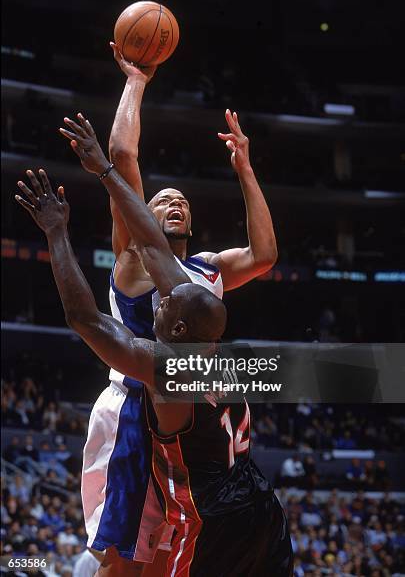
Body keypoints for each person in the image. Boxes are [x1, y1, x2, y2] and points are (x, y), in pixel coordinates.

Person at [58, 47, 278, 576]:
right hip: (136, 408)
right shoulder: (135, 255)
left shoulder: (208, 268)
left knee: (169, 558)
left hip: (189, 424)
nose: (175, 202)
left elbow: (265, 255)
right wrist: (135, 81)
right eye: (161, 201)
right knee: (124, 560)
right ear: (142, 215)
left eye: (183, 201)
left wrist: (245, 168)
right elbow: (121, 158)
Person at [15, 164, 293, 576]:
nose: (159, 302)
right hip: (262, 505)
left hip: (210, 514)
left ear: (178, 329)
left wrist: (62, 228)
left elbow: (84, 318)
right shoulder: (233, 361)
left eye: (164, 306)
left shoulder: (165, 371)